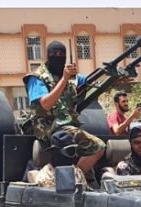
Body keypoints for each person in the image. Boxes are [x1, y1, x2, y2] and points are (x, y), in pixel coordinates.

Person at [24, 41, 105, 175]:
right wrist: (64, 79)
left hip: (67, 125)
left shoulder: (73, 77)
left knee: (93, 147)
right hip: (47, 126)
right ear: (48, 55)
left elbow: (91, 82)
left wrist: (114, 78)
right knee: (98, 147)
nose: (58, 56)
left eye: (62, 54)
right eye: (54, 54)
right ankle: (75, 177)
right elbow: (45, 104)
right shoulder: (36, 78)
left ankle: (75, 176)